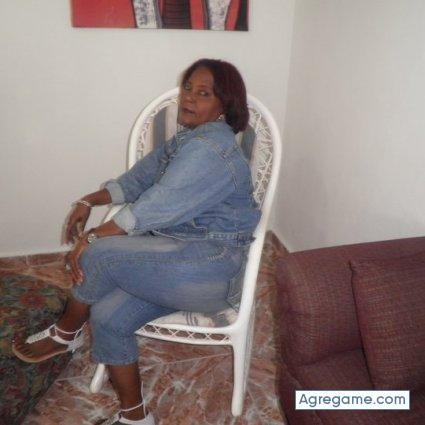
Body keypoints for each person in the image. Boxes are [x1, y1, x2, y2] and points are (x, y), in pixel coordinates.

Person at [12, 58, 260, 425]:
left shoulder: (211, 149)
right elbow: (137, 181)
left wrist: (93, 237)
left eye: (203, 93)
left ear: (224, 105)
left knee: (100, 255)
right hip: (174, 261)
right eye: (187, 88)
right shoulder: (186, 141)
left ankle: (66, 333)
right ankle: (135, 417)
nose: (189, 98)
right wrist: (87, 201)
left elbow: (155, 207)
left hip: (211, 267)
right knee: (107, 317)